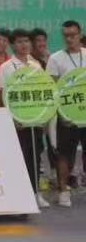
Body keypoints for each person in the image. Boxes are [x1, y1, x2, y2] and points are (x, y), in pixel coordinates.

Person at [0, 28, 48, 208]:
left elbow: (43, 91)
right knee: (20, 158)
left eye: (26, 41)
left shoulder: (36, 65)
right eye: (19, 42)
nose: (24, 45)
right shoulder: (6, 67)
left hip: (35, 119)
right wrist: (11, 119)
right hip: (16, 121)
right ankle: (20, 194)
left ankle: (36, 192)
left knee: (35, 156)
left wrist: (43, 115)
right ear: (12, 45)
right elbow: (2, 95)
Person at [46, 21, 86, 208]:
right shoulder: (55, 59)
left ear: (80, 34)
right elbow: (51, 88)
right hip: (67, 116)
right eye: (66, 35)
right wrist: (61, 113)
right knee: (64, 154)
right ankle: (63, 191)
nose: (70, 39)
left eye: (73, 35)